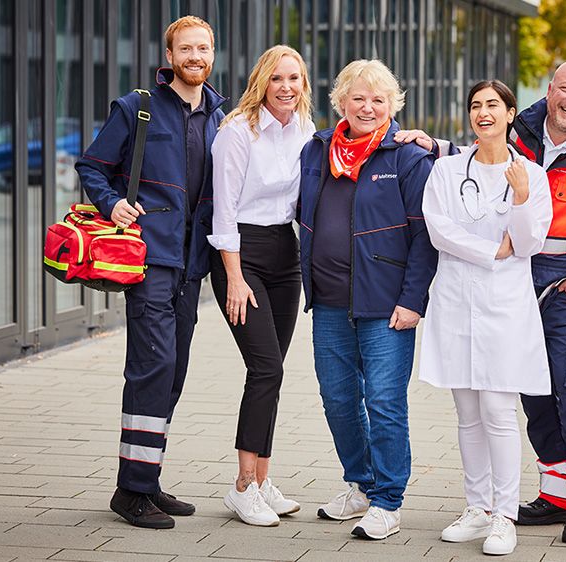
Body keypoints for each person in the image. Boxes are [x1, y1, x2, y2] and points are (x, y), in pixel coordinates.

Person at [398, 60, 566, 545]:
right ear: (548, 92)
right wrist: (432, 144)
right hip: (505, 288)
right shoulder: (526, 131)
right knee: (534, 400)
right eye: (564, 88)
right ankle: (554, 494)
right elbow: (475, 161)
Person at [75, 16, 227, 529]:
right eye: (185, 48)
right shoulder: (136, 108)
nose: (195, 56)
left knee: (173, 371)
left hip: (191, 264)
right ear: (169, 56)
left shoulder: (219, 116)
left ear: (212, 55)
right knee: (152, 367)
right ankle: (131, 491)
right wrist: (113, 203)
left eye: (203, 48)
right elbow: (92, 166)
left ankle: (147, 476)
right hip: (147, 257)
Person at [297, 59, 438, 541]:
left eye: (379, 100)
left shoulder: (407, 156)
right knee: (337, 399)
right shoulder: (316, 150)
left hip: (387, 306)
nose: (368, 107)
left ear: (393, 106)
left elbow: (425, 236)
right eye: (358, 98)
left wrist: (413, 299)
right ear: (341, 102)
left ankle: (387, 500)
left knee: (383, 402)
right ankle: (361, 483)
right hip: (330, 301)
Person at [419, 80, 552, 557]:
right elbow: (438, 227)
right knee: (467, 413)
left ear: (511, 113)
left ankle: (504, 514)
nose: (483, 113)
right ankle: (475, 507)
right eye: (476, 106)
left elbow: (532, 242)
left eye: (493, 105)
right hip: (455, 302)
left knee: (498, 411)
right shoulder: (448, 169)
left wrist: (518, 199)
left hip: (504, 308)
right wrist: (493, 250)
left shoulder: (531, 177)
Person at [208, 45, 315, 527]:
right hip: (241, 254)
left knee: (274, 372)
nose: (286, 87)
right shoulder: (236, 132)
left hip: (284, 255)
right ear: (262, 83)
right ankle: (241, 487)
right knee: (265, 368)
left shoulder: (306, 131)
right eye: (277, 79)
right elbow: (223, 210)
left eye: (294, 78)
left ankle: (263, 480)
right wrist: (233, 276)